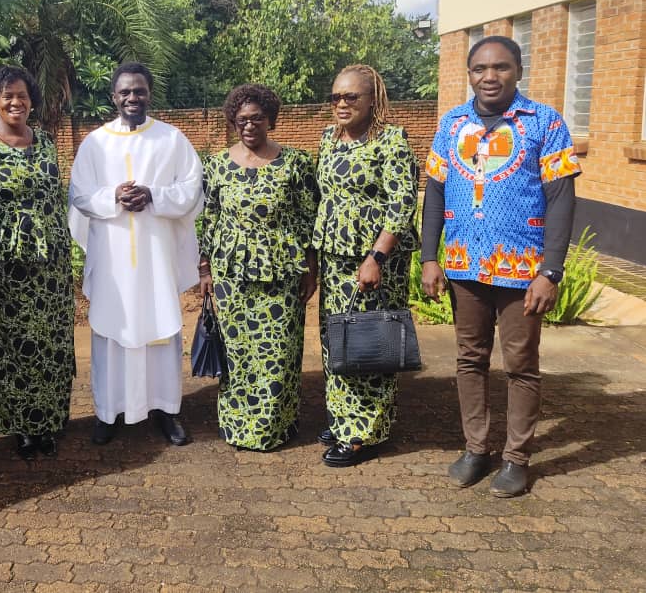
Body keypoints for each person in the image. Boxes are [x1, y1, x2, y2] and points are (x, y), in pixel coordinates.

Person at [421, 35, 581, 497]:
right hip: (465, 268)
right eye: (480, 69)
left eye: (501, 67)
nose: (490, 76)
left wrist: (550, 271)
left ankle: (516, 458)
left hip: (522, 271)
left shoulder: (543, 123)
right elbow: (434, 192)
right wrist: (430, 257)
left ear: (518, 71)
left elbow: (561, 199)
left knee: (520, 364)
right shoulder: (451, 124)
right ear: (469, 74)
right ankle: (476, 449)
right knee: (469, 360)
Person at [69, 61, 203, 446]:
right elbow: (78, 194)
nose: (132, 97)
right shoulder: (95, 142)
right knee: (111, 333)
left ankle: (165, 411)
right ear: (113, 96)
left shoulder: (171, 139)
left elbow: (192, 188)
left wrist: (153, 195)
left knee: (160, 331)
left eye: (139, 91)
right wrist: (112, 196)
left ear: (149, 94)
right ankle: (108, 413)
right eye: (125, 91)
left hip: (155, 259)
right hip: (112, 262)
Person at [0, 66, 75, 461]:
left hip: (53, 263)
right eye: (7, 95)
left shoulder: (44, 141)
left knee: (53, 342)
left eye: (23, 95)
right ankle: (23, 427)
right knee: (14, 346)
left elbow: (54, 202)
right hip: (10, 265)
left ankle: (48, 420)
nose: (16, 102)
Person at [198, 84, 319, 451]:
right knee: (237, 352)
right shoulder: (217, 165)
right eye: (241, 120)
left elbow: (310, 216)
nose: (249, 126)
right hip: (231, 272)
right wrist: (205, 271)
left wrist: (310, 266)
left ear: (270, 121)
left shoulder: (295, 163)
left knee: (280, 352)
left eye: (256, 119)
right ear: (233, 122)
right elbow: (208, 218)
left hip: (281, 271)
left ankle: (275, 426)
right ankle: (237, 424)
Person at [311, 65, 419, 467]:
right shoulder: (329, 137)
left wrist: (377, 256)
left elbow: (402, 202)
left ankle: (362, 434)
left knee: (370, 343)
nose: (341, 103)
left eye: (350, 97)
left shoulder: (391, 141)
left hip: (375, 261)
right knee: (337, 339)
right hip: (335, 256)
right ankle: (344, 418)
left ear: (372, 99)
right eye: (336, 96)